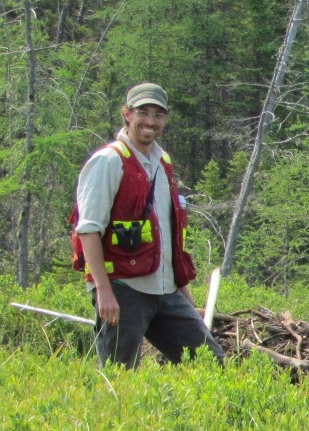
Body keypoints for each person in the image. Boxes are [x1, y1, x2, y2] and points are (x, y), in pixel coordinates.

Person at [70, 83, 224, 367]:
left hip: (166, 291)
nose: (151, 122)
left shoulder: (162, 162)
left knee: (210, 364)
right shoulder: (108, 161)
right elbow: (88, 229)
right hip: (122, 288)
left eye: (158, 114)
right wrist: (103, 290)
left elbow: (167, 240)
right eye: (143, 112)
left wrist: (184, 295)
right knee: (120, 373)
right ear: (127, 114)